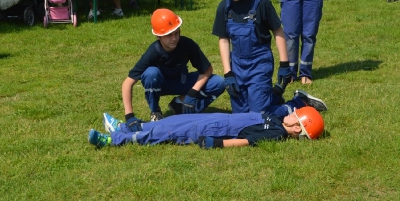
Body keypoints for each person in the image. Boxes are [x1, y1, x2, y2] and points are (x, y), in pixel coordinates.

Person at [88, 90, 327, 148]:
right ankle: (130, 126)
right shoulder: (278, 122)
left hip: (217, 129)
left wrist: (217, 143)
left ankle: (115, 140)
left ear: (297, 127)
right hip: (218, 118)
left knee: (169, 133)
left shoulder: (276, 132)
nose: (289, 115)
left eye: (293, 115)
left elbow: (248, 141)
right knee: (172, 122)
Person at [121, 8, 225, 131]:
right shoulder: (153, 52)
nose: (174, 38)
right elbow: (127, 83)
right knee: (151, 74)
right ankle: (156, 112)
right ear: (158, 37)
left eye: (176, 33)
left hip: (182, 82)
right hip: (161, 84)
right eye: (169, 35)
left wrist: (192, 93)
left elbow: (207, 70)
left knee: (219, 82)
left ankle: (181, 106)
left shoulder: (187, 44)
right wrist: (129, 116)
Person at [212, 0, 291, 114]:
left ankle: (295, 104)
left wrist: (284, 64)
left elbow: (278, 31)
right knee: (240, 118)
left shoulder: (262, 4)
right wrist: (228, 72)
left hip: (259, 64)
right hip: (237, 66)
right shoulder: (224, 8)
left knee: (258, 117)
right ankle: (273, 96)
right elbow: (224, 40)